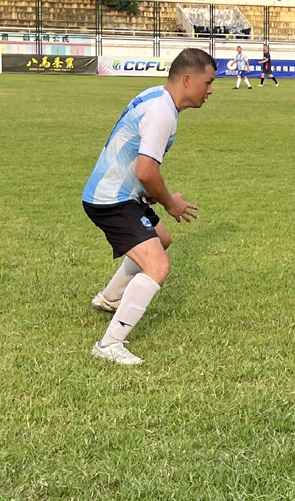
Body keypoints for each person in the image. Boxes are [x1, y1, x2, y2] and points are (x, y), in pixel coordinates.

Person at [82, 48, 216, 365]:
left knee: (162, 240)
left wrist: (149, 191)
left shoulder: (158, 97)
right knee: (158, 266)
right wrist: (170, 202)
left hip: (123, 193)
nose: (211, 91)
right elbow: (145, 170)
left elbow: (138, 163)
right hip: (111, 199)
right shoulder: (162, 113)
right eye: (208, 83)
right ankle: (109, 345)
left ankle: (110, 298)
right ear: (188, 80)